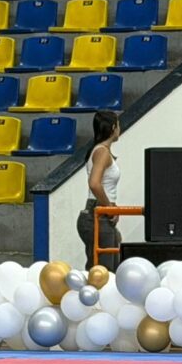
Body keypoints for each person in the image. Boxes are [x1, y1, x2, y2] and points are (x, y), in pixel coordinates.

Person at [76, 110, 121, 270]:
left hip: (99, 213)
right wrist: (109, 208)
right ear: (114, 127)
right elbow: (94, 183)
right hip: (99, 214)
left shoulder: (99, 150)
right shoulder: (102, 152)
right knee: (104, 273)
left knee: (108, 266)